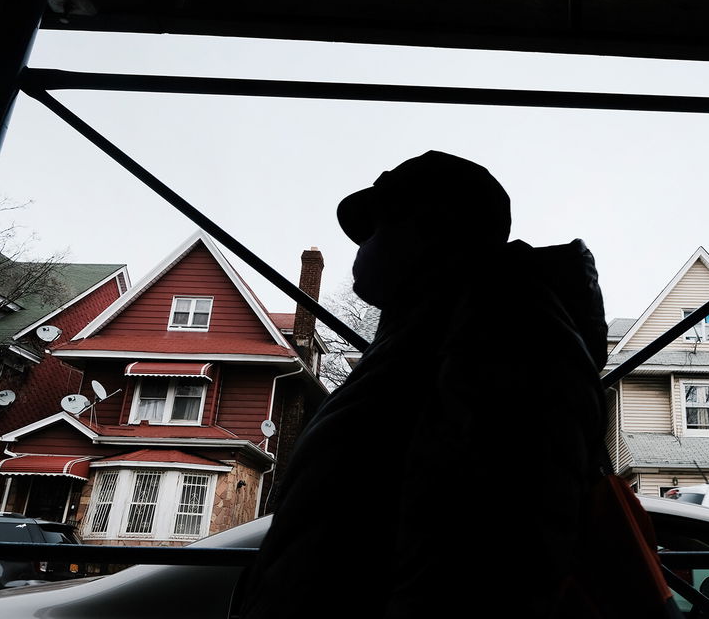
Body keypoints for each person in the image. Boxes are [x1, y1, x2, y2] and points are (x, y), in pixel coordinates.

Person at [240, 150, 609, 619]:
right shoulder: (430, 335)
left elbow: (487, 561)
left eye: (377, 227)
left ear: (430, 227)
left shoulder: (503, 337)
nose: (362, 248)